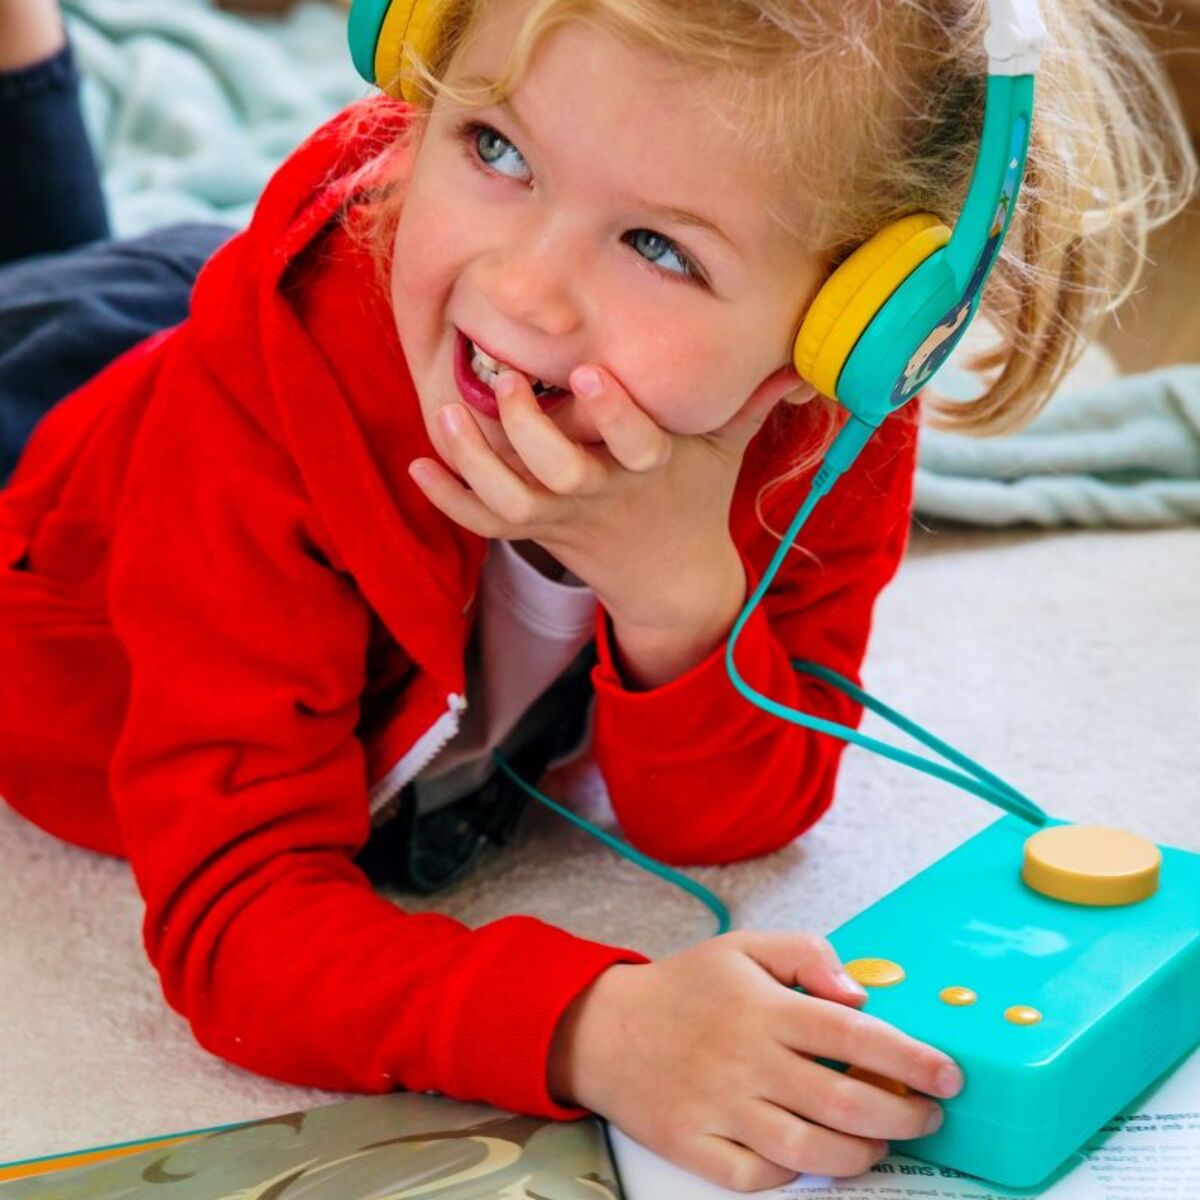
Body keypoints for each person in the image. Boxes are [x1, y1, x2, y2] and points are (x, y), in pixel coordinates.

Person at [0, 0, 1191, 1190]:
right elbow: (235, 921)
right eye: (496, 148)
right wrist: (594, 1027)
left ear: (852, 325)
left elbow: (740, 820)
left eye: (658, 247)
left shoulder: (831, 416)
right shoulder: (246, 431)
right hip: (77, 458)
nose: (524, 292)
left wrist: (682, 601)